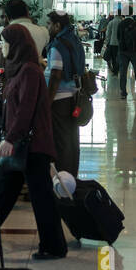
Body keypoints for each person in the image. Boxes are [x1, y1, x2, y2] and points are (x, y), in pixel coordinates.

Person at [0, 24, 68, 263]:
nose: (2, 47)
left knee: (41, 197)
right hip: (22, 145)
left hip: (31, 145)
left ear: (17, 45)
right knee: (2, 195)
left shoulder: (29, 70)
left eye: (6, 43)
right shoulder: (18, 69)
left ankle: (54, 246)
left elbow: (26, 109)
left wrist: (11, 137)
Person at [45, 10, 85, 177]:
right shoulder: (74, 39)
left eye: (48, 24)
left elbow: (55, 75)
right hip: (74, 98)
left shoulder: (58, 44)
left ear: (57, 25)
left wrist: (47, 102)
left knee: (60, 142)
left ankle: (63, 178)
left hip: (60, 100)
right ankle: (71, 175)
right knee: (71, 140)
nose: (46, 27)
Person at [116, 7, 136, 99]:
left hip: (123, 51)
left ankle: (123, 92)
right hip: (135, 50)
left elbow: (118, 37)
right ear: (132, 13)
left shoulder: (121, 24)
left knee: (123, 71)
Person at [103, 9, 122, 75]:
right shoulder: (122, 22)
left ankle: (115, 71)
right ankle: (118, 69)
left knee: (113, 58)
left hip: (112, 43)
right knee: (119, 57)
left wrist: (107, 42)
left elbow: (108, 33)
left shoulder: (111, 22)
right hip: (120, 44)